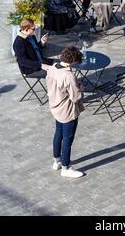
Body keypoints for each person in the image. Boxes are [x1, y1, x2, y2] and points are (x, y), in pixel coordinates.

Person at [46, 46, 85, 178]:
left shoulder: (53, 67)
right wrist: (80, 87)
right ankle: (66, 167)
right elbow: (75, 97)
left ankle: (56, 160)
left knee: (58, 134)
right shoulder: (68, 75)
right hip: (67, 111)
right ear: (73, 60)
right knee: (67, 139)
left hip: (55, 107)